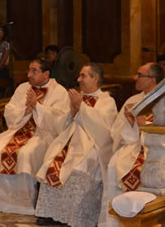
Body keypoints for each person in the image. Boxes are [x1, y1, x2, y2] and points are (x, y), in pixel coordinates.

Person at [0, 59, 70, 215]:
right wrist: (26, 110)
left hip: (43, 135)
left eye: (34, 71)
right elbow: (9, 111)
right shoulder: (23, 88)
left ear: (46, 73)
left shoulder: (60, 92)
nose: (29, 74)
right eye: (29, 70)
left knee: (25, 153)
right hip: (19, 130)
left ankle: (23, 204)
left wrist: (37, 106)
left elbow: (60, 121)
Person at [35, 63, 118, 227]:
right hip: (70, 141)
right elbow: (61, 125)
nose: (78, 79)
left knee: (77, 169)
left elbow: (104, 130)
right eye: (79, 76)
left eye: (83, 76)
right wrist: (72, 112)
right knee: (51, 162)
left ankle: (76, 216)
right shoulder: (76, 97)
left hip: (92, 145)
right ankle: (50, 212)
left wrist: (82, 107)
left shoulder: (107, 101)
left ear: (95, 78)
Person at [98, 63, 164, 227]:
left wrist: (144, 124)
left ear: (152, 80)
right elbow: (117, 133)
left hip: (159, 149)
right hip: (135, 145)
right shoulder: (133, 101)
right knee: (115, 164)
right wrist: (131, 123)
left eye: (140, 75)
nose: (135, 78)